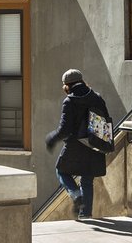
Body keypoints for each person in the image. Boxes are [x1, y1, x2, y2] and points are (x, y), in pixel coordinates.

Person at [44, 68, 111, 220]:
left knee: (61, 171)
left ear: (67, 85)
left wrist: (52, 139)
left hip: (75, 146)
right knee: (87, 179)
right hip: (95, 145)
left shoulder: (70, 101)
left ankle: (76, 196)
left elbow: (64, 129)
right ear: (82, 81)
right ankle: (85, 214)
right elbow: (105, 122)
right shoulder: (97, 98)